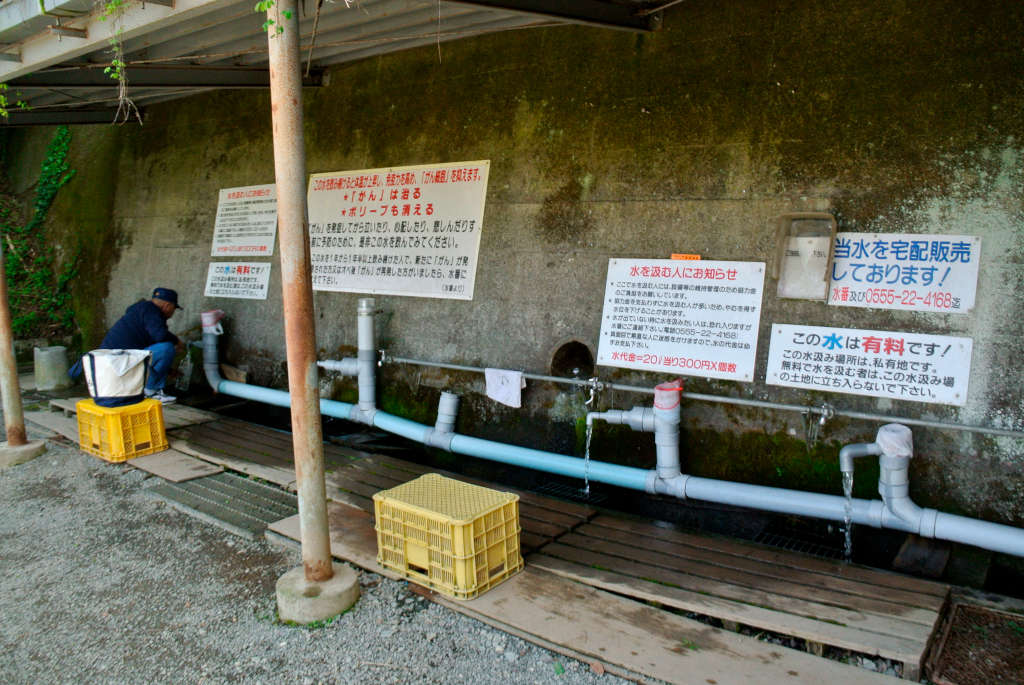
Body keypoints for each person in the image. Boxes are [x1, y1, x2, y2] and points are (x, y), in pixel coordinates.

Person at [98, 287, 185, 404]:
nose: (172, 313)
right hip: (118, 361)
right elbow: (161, 336)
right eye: (174, 309)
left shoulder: (141, 311)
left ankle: (149, 390)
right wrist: (177, 341)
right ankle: (152, 392)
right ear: (168, 306)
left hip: (110, 362)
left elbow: (150, 354)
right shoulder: (151, 310)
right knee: (167, 348)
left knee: (163, 347)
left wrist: (168, 371)